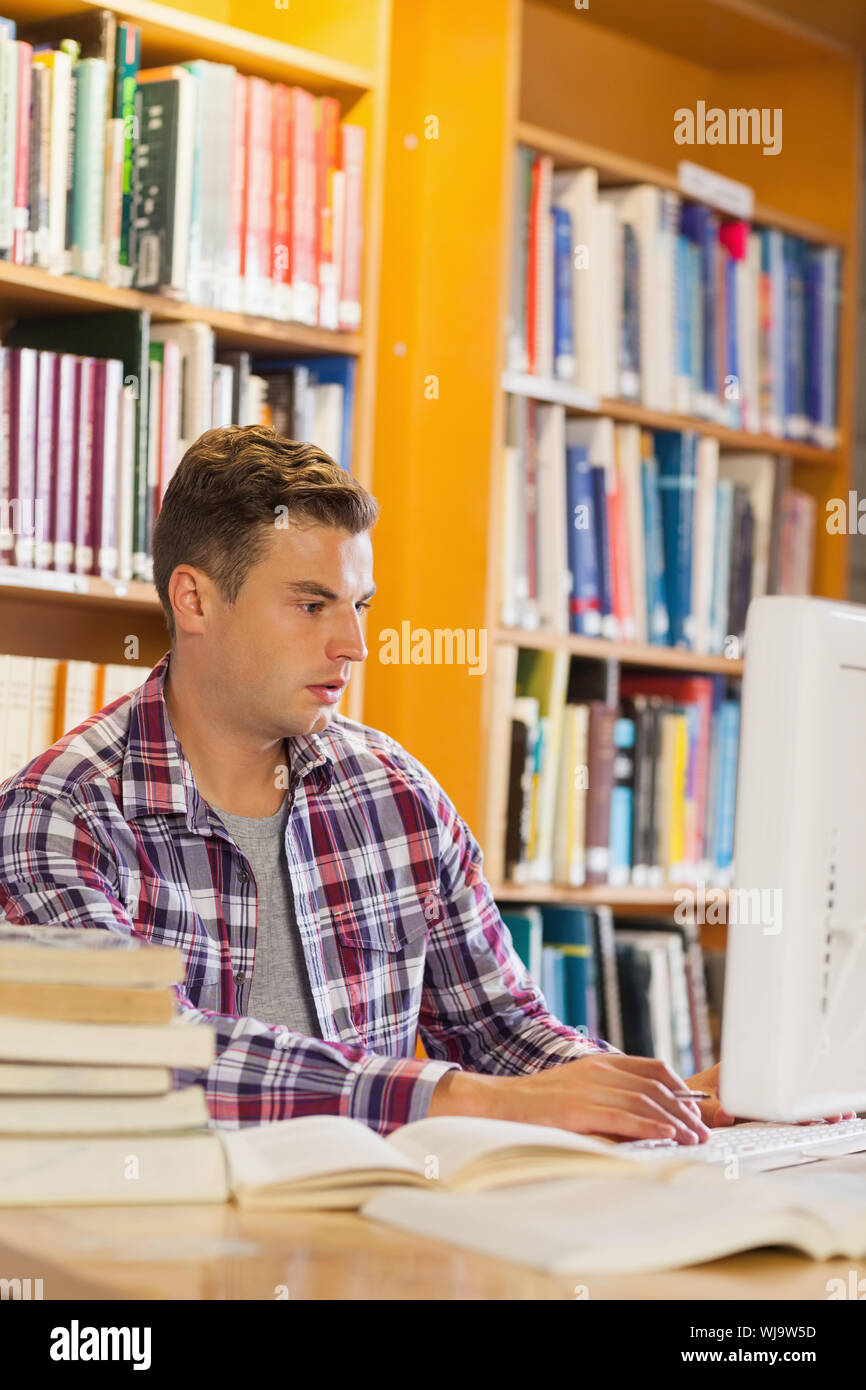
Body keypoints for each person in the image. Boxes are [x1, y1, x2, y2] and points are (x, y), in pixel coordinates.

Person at [0, 427, 848, 1139]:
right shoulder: (56, 813)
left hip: (373, 1249)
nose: (354, 645)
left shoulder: (395, 795)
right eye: (310, 605)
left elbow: (502, 1030)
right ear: (193, 599)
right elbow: (147, 1048)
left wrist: (646, 1100)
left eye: (359, 605)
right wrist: (453, 1096)